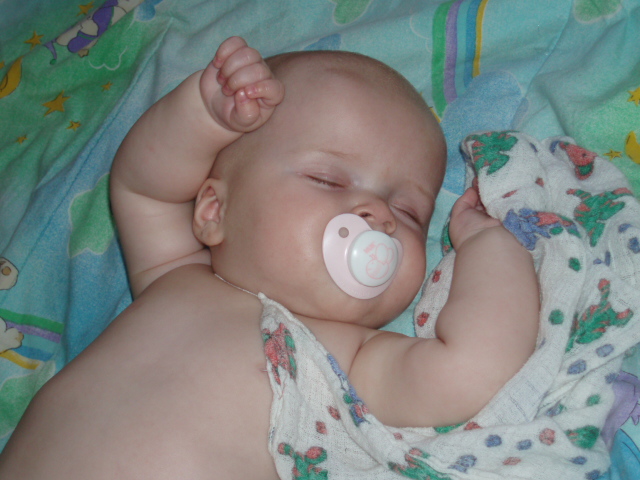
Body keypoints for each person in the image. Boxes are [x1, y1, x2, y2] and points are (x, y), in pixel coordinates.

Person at [0, 36, 539, 478]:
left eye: (410, 213)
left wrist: (488, 245)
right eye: (327, 179)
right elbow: (143, 183)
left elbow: (469, 370)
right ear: (214, 210)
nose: (377, 215)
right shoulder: (173, 273)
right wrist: (206, 114)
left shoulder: (346, 363)